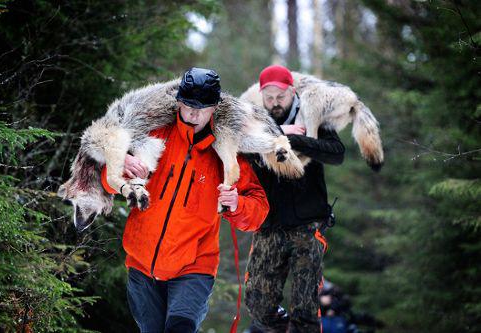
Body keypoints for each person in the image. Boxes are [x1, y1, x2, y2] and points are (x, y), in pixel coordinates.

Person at [100, 67, 269, 333]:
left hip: (194, 267)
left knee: (180, 327)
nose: (193, 114)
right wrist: (122, 164)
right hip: (141, 263)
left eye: (202, 108)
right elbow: (105, 182)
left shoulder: (227, 152)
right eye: (188, 106)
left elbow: (258, 211)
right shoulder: (154, 132)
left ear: (215, 108)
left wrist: (237, 203)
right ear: (178, 101)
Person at [244, 65, 345, 333]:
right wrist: (279, 133)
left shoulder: (312, 117)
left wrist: (298, 141)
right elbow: (241, 151)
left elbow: (337, 153)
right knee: (257, 303)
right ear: (261, 96)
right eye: (269, 98)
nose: (275, 103)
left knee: (305, 306)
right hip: (269, 224)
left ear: (292, 92)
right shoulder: (254, 122)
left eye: (281, 97)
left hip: (308, 224)